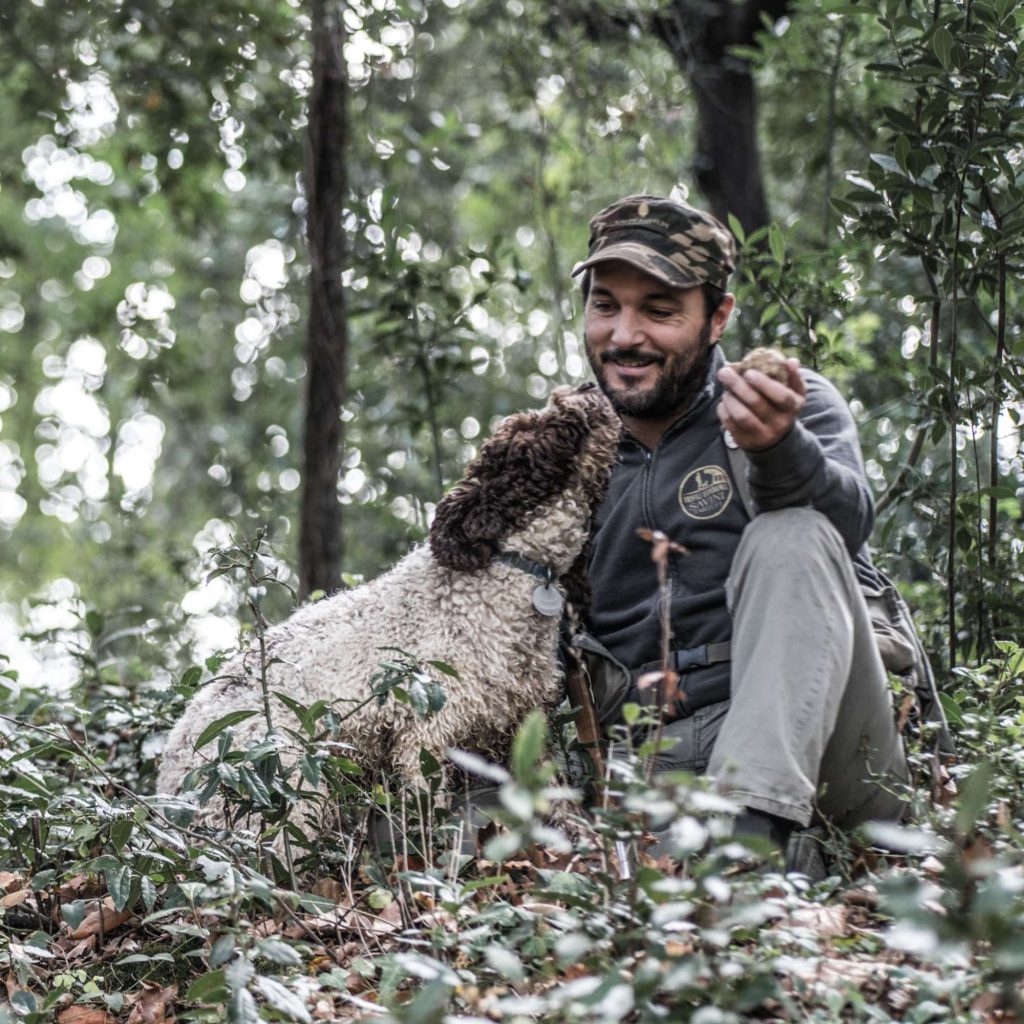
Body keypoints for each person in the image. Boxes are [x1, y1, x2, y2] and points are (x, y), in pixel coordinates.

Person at [569, 194, 924, 860]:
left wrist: (778, 449)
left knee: (793, 535)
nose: (624, 336)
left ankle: (748, 852)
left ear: (718, 317)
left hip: (838, 749)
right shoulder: (561, 451)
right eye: (605, 305)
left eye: (659, 311)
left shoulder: (787, 404)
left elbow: (845, 527)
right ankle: (755, 857)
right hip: (648, 767)